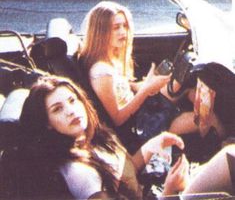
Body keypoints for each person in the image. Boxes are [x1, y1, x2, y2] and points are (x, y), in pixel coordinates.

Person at [18, 75, 189, 199]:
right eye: (57, 109)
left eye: (72, 100)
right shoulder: (81, 173)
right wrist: (169, 192)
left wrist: (152, 146)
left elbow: (123, 176)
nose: (70, 111)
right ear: (47, 123)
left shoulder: (92, 138)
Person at [79, 1, 194, 152]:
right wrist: (146, 90)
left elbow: (123, 88)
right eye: (116, 28)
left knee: (189, 87)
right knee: (203, 119)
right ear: (100, 32)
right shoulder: (101, 73)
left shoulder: (110, 58)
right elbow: (118, 120)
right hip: (139, 126)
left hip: (141, 109)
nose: (123, 32)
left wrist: (145, 84)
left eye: (124, 26)